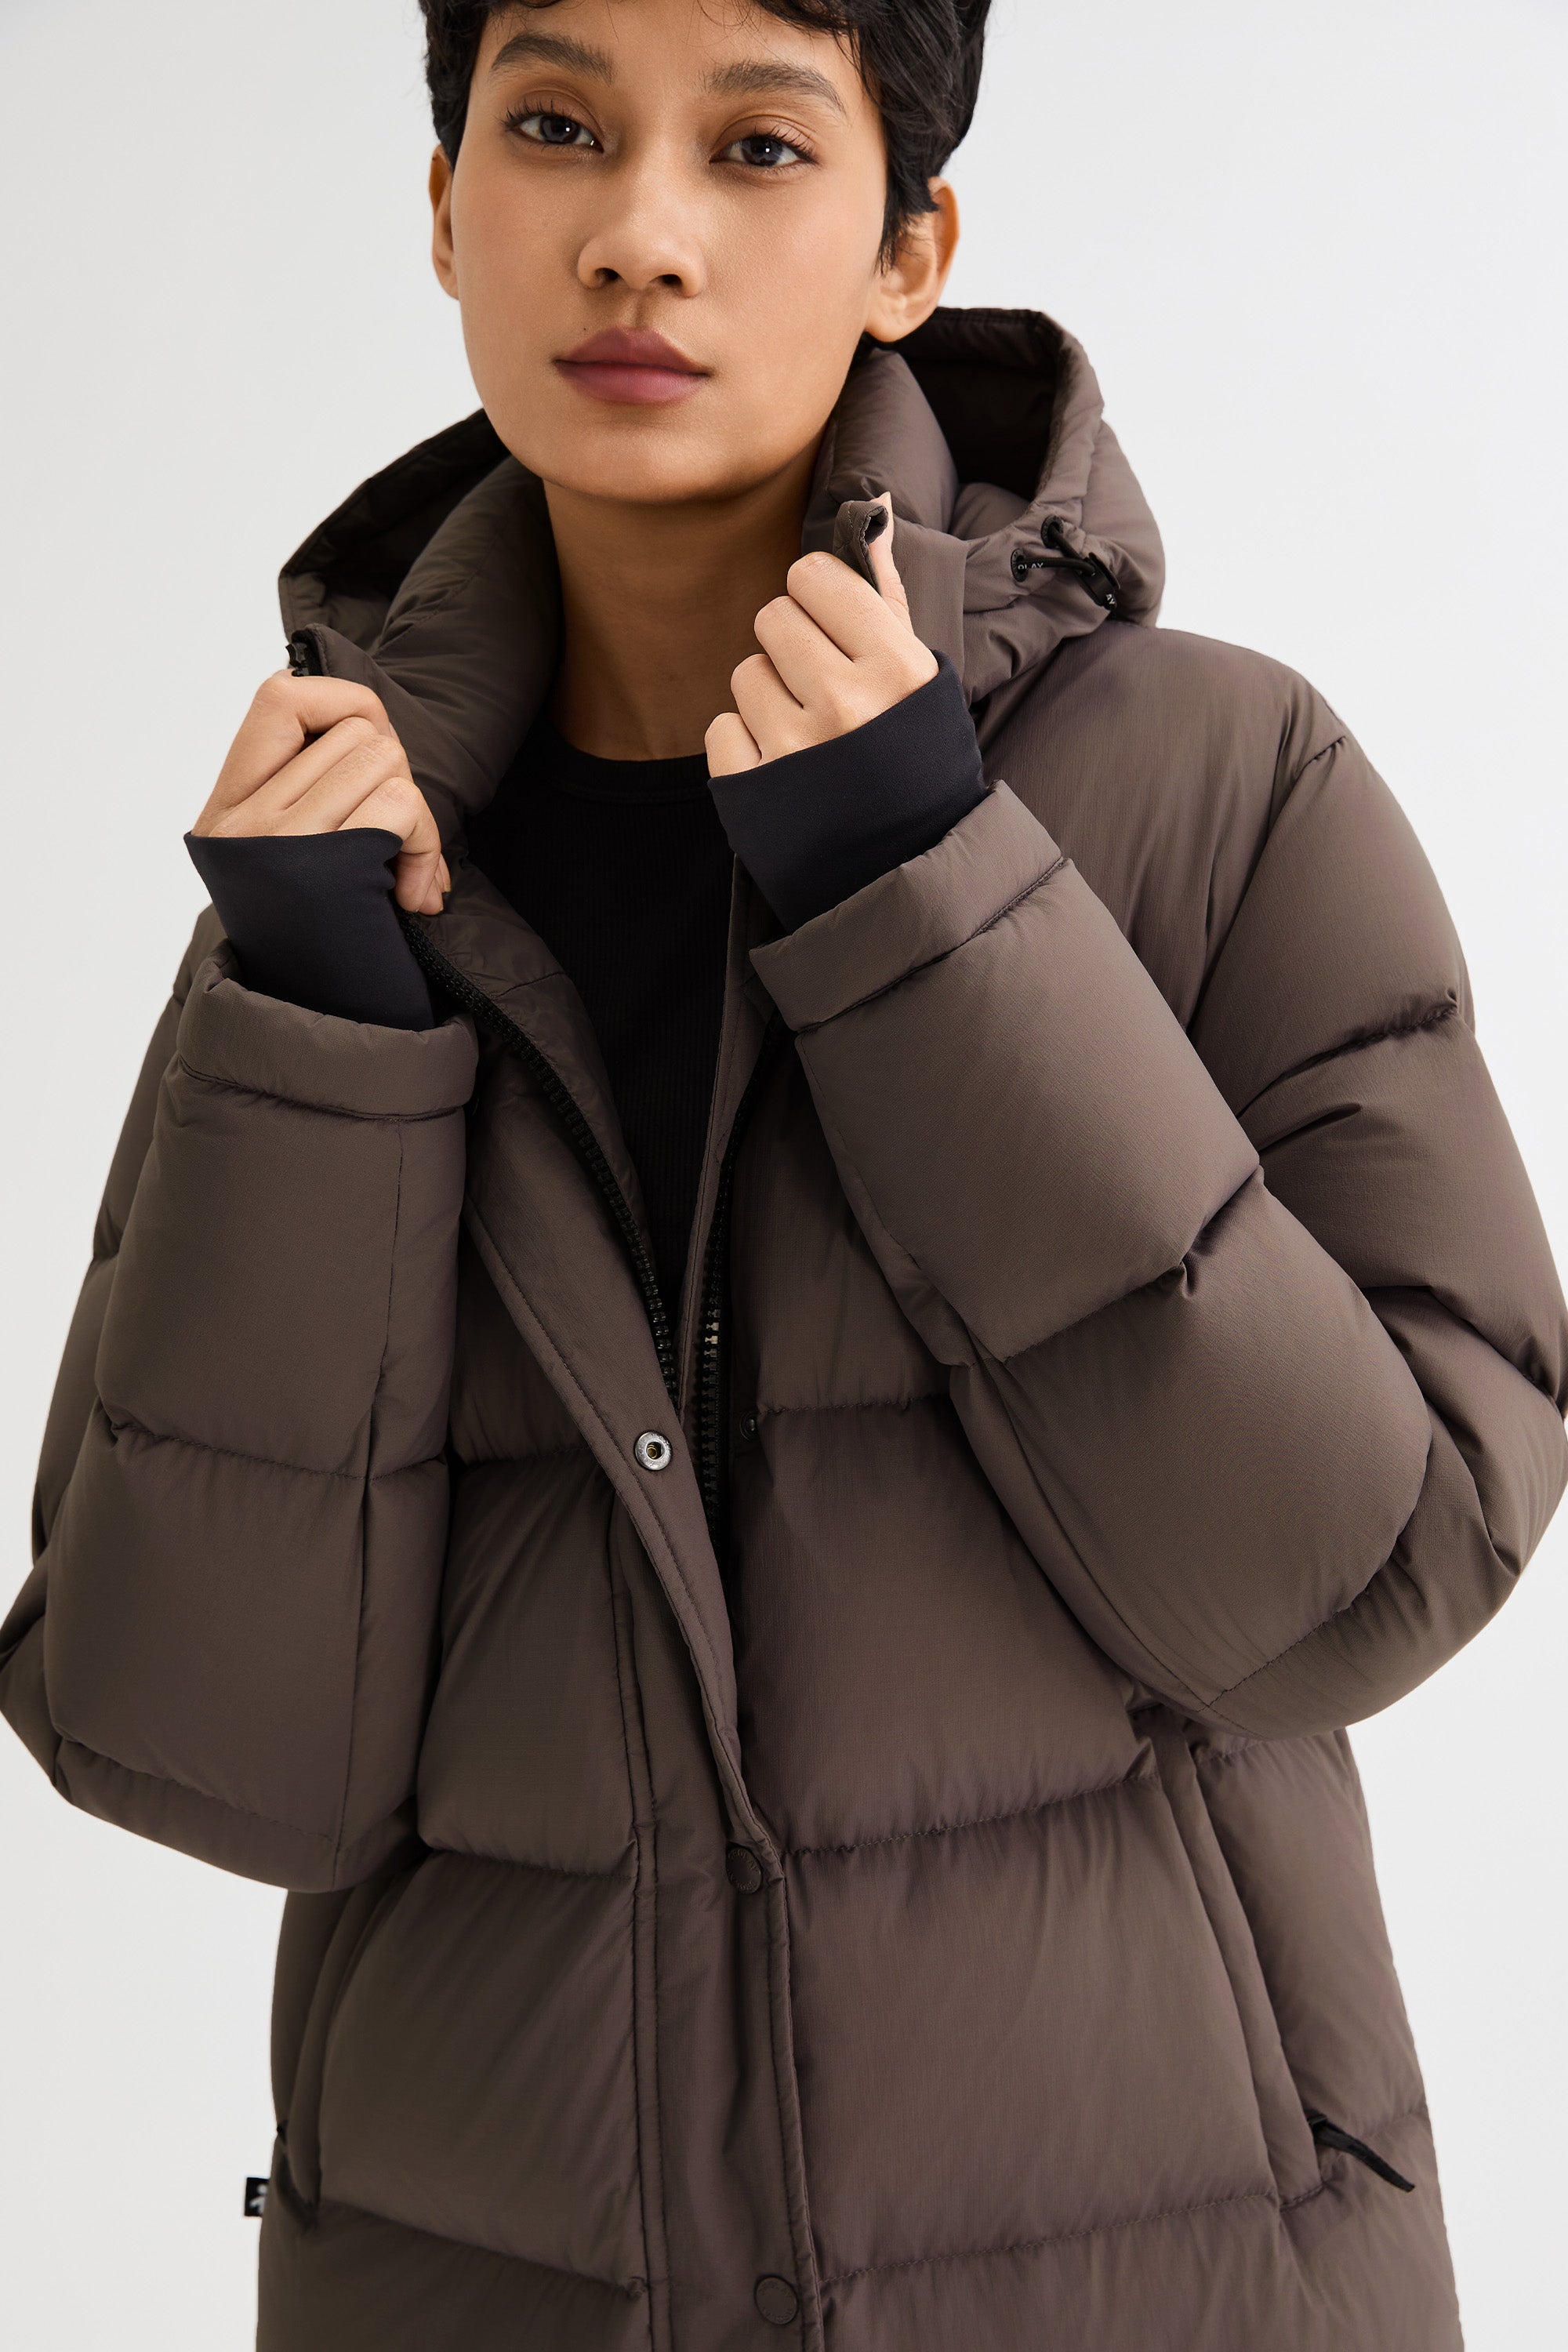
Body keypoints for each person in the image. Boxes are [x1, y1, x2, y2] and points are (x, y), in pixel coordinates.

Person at [2, 1, 1563, 2344]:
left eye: (755, 146)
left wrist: (921, 890)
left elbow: (1370, 1577)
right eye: (554, 126)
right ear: (444, 208)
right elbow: (205, 1753)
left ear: (911, 247)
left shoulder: (1221, 785)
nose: (639, 236)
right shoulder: (348, 887)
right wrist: (322, 1027)